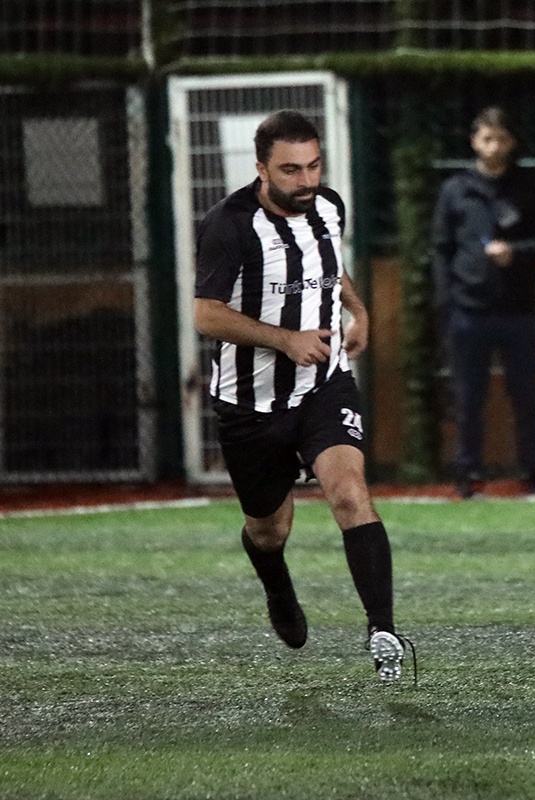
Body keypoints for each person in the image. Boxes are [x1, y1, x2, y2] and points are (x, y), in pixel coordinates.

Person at [194, 110, 414, 683]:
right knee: (269, 530)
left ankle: (383, 631)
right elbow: (206, 314)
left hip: (323, 385)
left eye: (314, 166)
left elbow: (329, 267)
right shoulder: (229, 226)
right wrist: (284, 339)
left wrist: (358, 311)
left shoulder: (329, 207)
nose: (306, 180)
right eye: (291, 170)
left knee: (350, 493)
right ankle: (278, 590)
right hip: (250, 403)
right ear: (262, 168)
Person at [432, 106, 535, 499]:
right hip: (468, 310)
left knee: (525, 396)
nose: (494, 146)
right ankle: (467, 474)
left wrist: (515, 253)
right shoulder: (456, 190)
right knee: (468, 397)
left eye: (501, 139)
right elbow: (441, 248)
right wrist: (447, 300)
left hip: (519, 309)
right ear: (475, 142)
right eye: (487, 139)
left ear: (512, 142)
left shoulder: (529, 188)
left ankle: (531, 474)